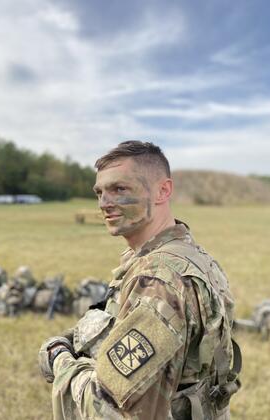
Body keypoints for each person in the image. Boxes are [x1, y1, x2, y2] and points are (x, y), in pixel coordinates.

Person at [39, 141, 240, 419]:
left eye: (120, 189)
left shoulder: (161, 279)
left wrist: (58, 358)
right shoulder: (185, 254)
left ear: (163, 191)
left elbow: (108, 408)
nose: (104, 203)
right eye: (100, 192)